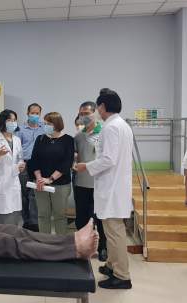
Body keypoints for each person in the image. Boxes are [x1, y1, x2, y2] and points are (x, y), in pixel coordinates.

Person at [75, 89, 133, 289]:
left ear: (102, 107)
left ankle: (122, 276)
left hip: (112, 189)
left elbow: (108, 159)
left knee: (114, 233)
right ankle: (111, 265)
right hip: (115, 187)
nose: (96, 111)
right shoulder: (121, 125)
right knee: (110, 231)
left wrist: (86, 166)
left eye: (98, 107)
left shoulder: (110, 128)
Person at [74, 101, 107, 262]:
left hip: (98, 184)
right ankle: (82, 247)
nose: (84, 116)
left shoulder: (104, 133)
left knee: (98, 219)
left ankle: (102, 248)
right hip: (81, 183)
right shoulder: (78, 136)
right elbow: (76, 156)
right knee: (81, 218)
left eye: (87, 113)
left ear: (94, 113)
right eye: (81, 114)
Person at [31, 112, 74, 235]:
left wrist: (50, 179)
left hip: (60, 184)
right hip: (40, 184)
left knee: (60, 216)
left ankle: (60, 244)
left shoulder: (68, 140)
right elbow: (34, 161)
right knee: (43, 215)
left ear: (57, 124)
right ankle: (44, 242)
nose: (45, 126)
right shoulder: (40, 139)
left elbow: (66, 163)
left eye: (48, 123)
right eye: (44, 123)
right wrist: (39, 178)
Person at [0, 109, 25, 225]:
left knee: (13, 220)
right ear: (3, 122)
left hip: (13, 183)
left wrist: (21, 165)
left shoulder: (17, 140)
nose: (12, 123)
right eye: (9, 120)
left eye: (14, 120)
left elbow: (19, 158)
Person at [16, 103, 44, 232]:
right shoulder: (20, 129)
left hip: (39, 165)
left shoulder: (44, 128)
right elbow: (17, 148)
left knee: (35, 194)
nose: (35, 115)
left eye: (37, 113)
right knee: (24, 194)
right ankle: (25, 221)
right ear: (27, 113)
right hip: (25, 164)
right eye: (33, 113)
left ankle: (34, 223)